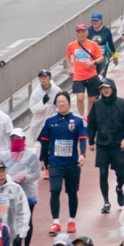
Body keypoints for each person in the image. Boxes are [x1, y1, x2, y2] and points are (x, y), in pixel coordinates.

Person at [39, 92, 87, 235]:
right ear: (56, 104)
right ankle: (56, 223)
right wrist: (42, 159)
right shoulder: (49, 121)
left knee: (72, 192)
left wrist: (82, 154)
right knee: (55, 191)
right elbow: (44, 143)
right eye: (58, 102)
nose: (61, 104)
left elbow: (83, 138)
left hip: (72, 163)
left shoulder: (78, 120)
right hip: (55, 163)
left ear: (68, 103)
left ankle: (71, 221)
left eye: (63, 101)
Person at [88, 78, 124, 213]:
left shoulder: (122, 103)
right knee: (103, 173)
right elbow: (92, 124)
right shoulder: (97, 105)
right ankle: (106, 201)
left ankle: (119, 188)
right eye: (103, 88)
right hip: (102, 144)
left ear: (113, 88)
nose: (105, 90)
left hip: (117, 144)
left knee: (120, 174)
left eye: (108, 87)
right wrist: (91, 141)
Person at [65, 24, 103, 118]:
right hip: (78, 76)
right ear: (76, 34)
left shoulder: (93, 44)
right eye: (79, 32)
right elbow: (68, 55)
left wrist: (93, 62)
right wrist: (69, 68)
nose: (81, 34)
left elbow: (101, 57)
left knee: (91, 99)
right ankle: (82, 117)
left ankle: (89, 117)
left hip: (91, 75)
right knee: (80, 97)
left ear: (87, 33)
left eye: (83, 32)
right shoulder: (71, 45)